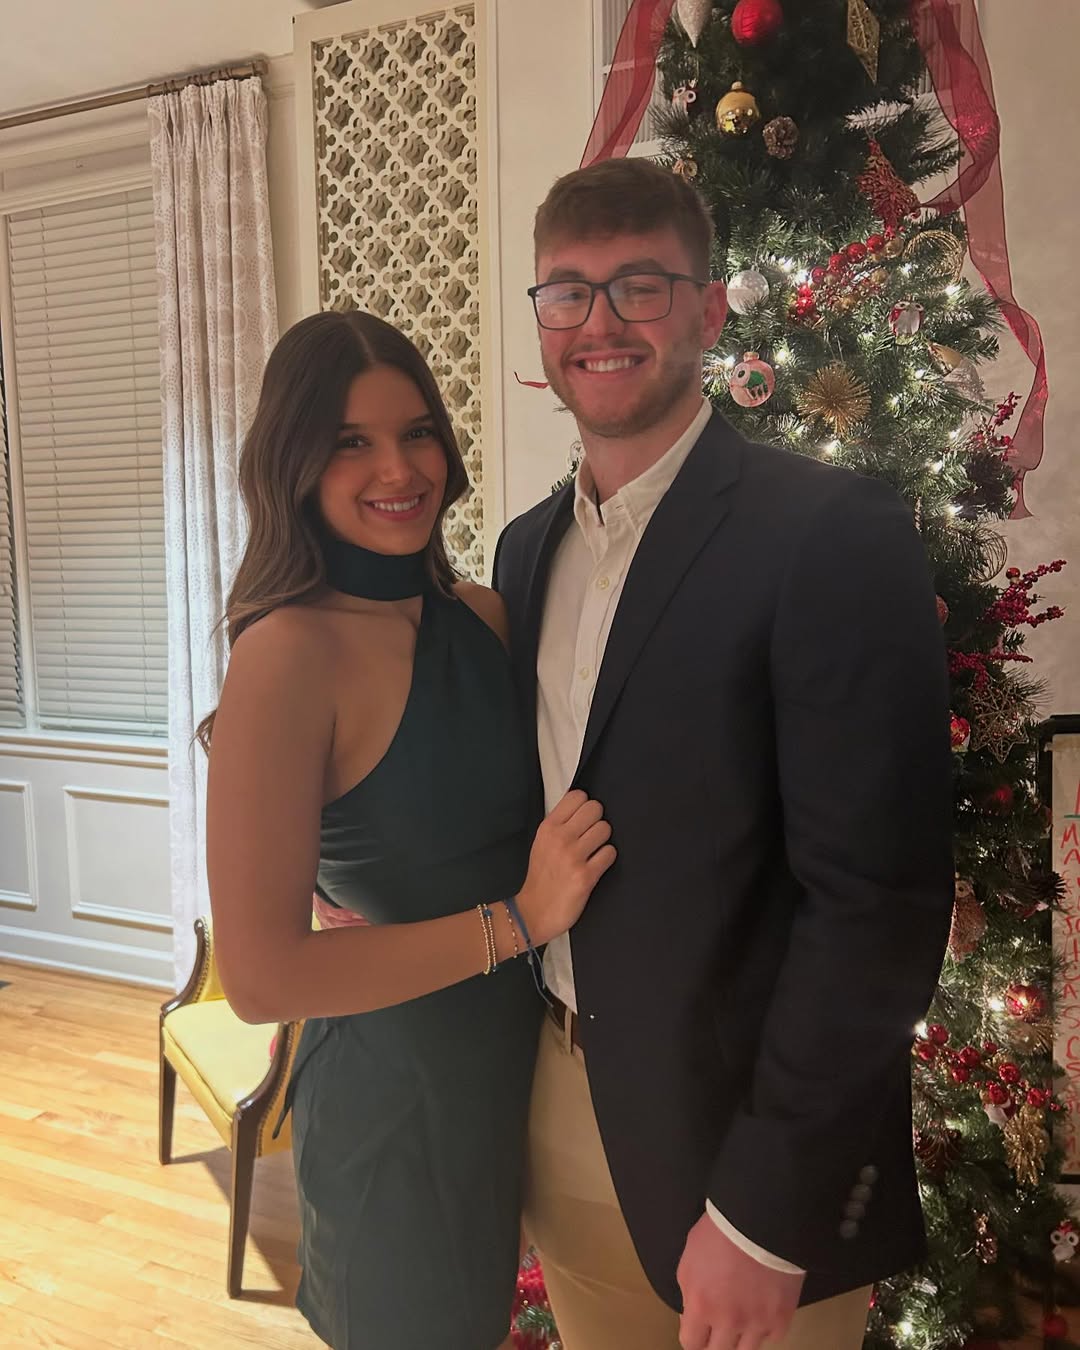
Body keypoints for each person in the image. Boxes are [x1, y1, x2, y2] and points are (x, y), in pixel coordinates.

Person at [492, 157, 954, 1350]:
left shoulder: (827, 533)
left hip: (746, 1158)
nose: (600, 323)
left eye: (640, 288)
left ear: (707, 310)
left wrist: (765, 1213)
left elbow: (879, 905)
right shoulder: (525, 553)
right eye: (568, 292)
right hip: (563, 1103)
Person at [202, 310, 616, 1350]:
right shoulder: (287, 653)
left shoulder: (481, 617)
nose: (398, 468)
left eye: (416, 431)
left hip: (517, 1077)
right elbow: (261, 979)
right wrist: (519, 920)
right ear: (296, 462)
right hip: (394, 1104)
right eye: (352, 441)